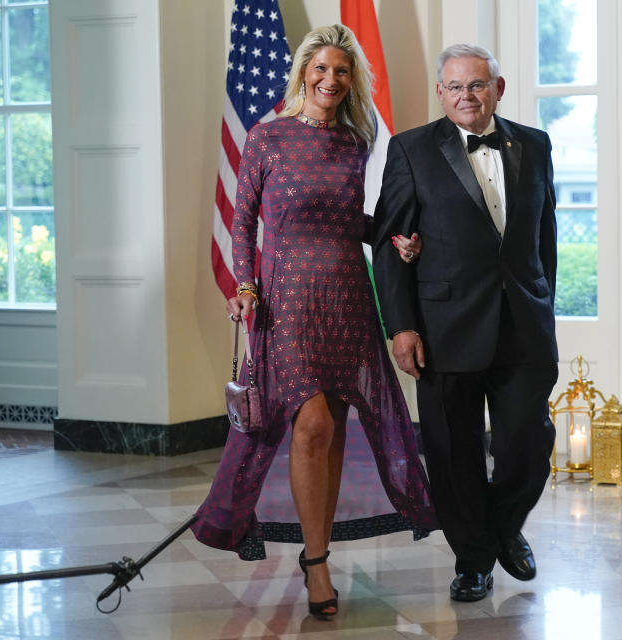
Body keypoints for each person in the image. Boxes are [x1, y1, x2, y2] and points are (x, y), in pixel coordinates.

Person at [191, 24, 437, 620]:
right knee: (312, 426)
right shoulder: (268, 138)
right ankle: (317, 565)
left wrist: (394, 238)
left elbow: (355, 223)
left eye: (342, 72)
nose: (330, 80)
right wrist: (244, 286)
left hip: (348, 299)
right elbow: (243, 221)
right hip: (286, 304)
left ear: (352, 81)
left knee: (332, 432)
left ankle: (316, 550)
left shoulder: (356, 142)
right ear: (304, 72)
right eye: (321, 69)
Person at [372, 43, 558, 602]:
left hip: (524, 323)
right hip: (442, 327)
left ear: (498, 89)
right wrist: (400, 325)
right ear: (440, 93)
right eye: (453, 87)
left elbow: (544, 235)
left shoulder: (536, 143)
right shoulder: (411, 150)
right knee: (453, 454)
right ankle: (473, 558)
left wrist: (542, 301)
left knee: (528, 443)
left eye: (476, 85)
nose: (465, 96)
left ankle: (504, 527)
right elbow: (389, 243)